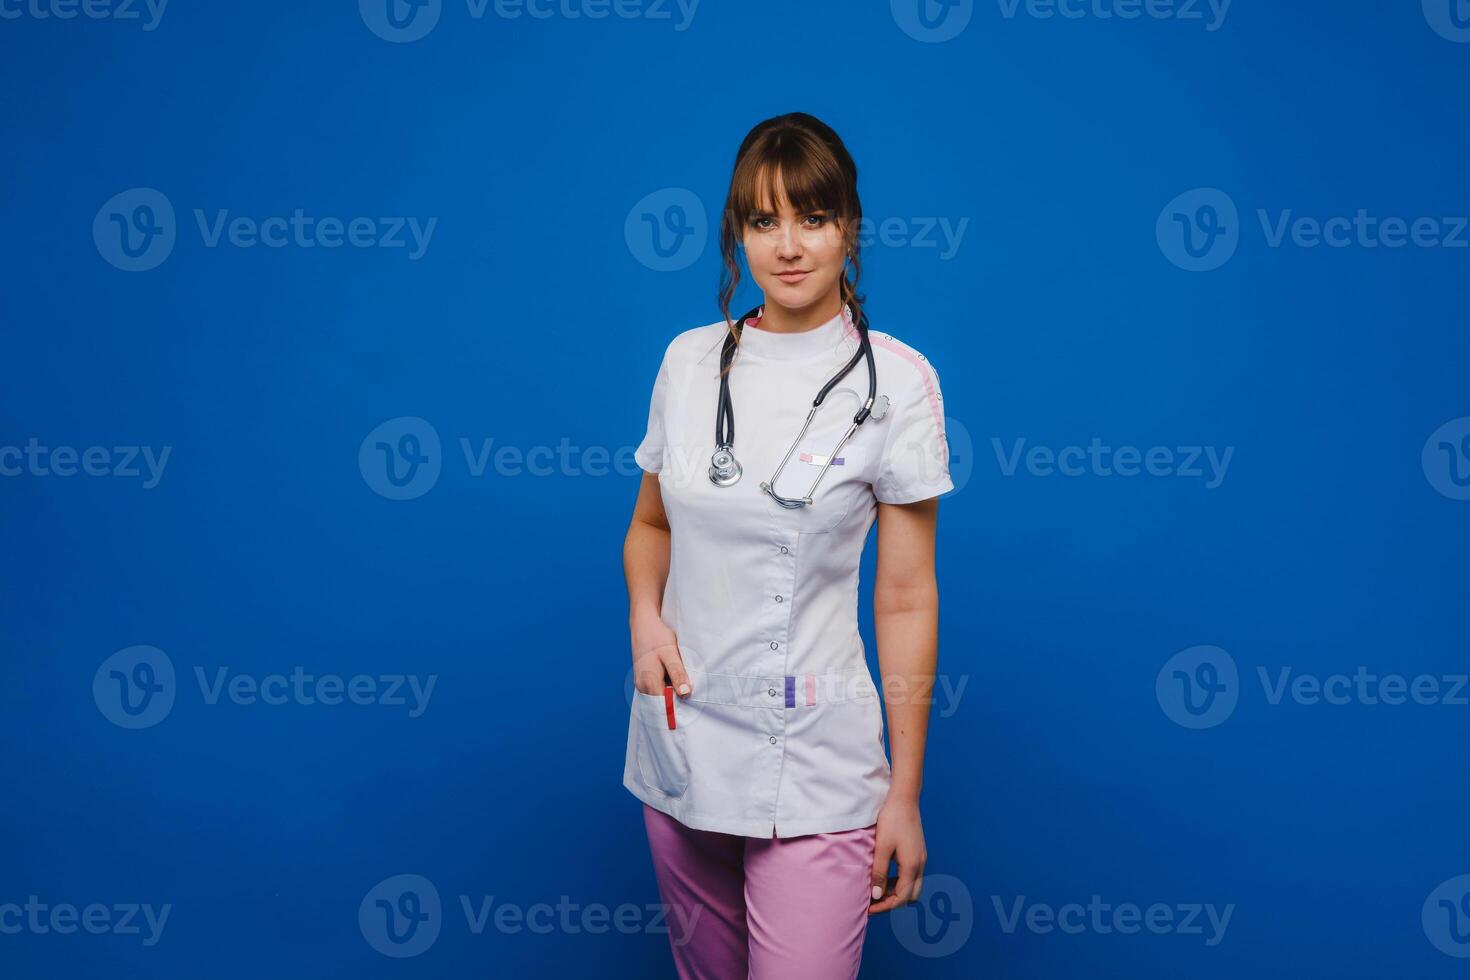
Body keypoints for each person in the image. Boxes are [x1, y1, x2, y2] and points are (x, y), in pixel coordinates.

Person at [621, 111, 952, 980]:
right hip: (682, 744)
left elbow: (907, 596)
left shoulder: (898, 382)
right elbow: (651, 525)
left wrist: (905, 796)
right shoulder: (689, 365)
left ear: (850, 227)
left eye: (813, 216)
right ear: (738, 233)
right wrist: (645, 622)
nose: (790, 245)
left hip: (818, 760)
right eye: (763, 221)